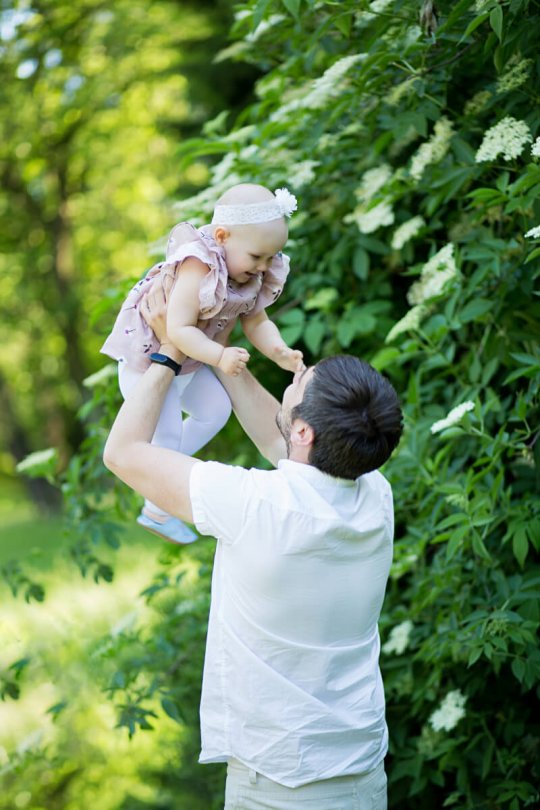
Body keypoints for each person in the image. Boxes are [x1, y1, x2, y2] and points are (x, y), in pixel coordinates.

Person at [103, 284, 403, 810]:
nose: (289, 385)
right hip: (360, 770)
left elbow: (124, 453)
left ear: (306, 429)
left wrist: (171, 350)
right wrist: (213, 347)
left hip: (279, 783)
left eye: (296, 385)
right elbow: (283, 441)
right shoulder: (374, 494)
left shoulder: (253, 504)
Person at [101, 183, 304, 544]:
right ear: (222, 237)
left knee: (216, 410)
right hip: (149, 363)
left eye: (272, 258)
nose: (264, 267)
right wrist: (220, 355)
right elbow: (177, 329)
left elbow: (256, 321)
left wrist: (278, 351)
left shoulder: (251, 271)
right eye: (258, 256)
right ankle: (157, 509)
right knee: (164, 437)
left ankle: (155, 486)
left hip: (191, 364)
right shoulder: (198, 264)